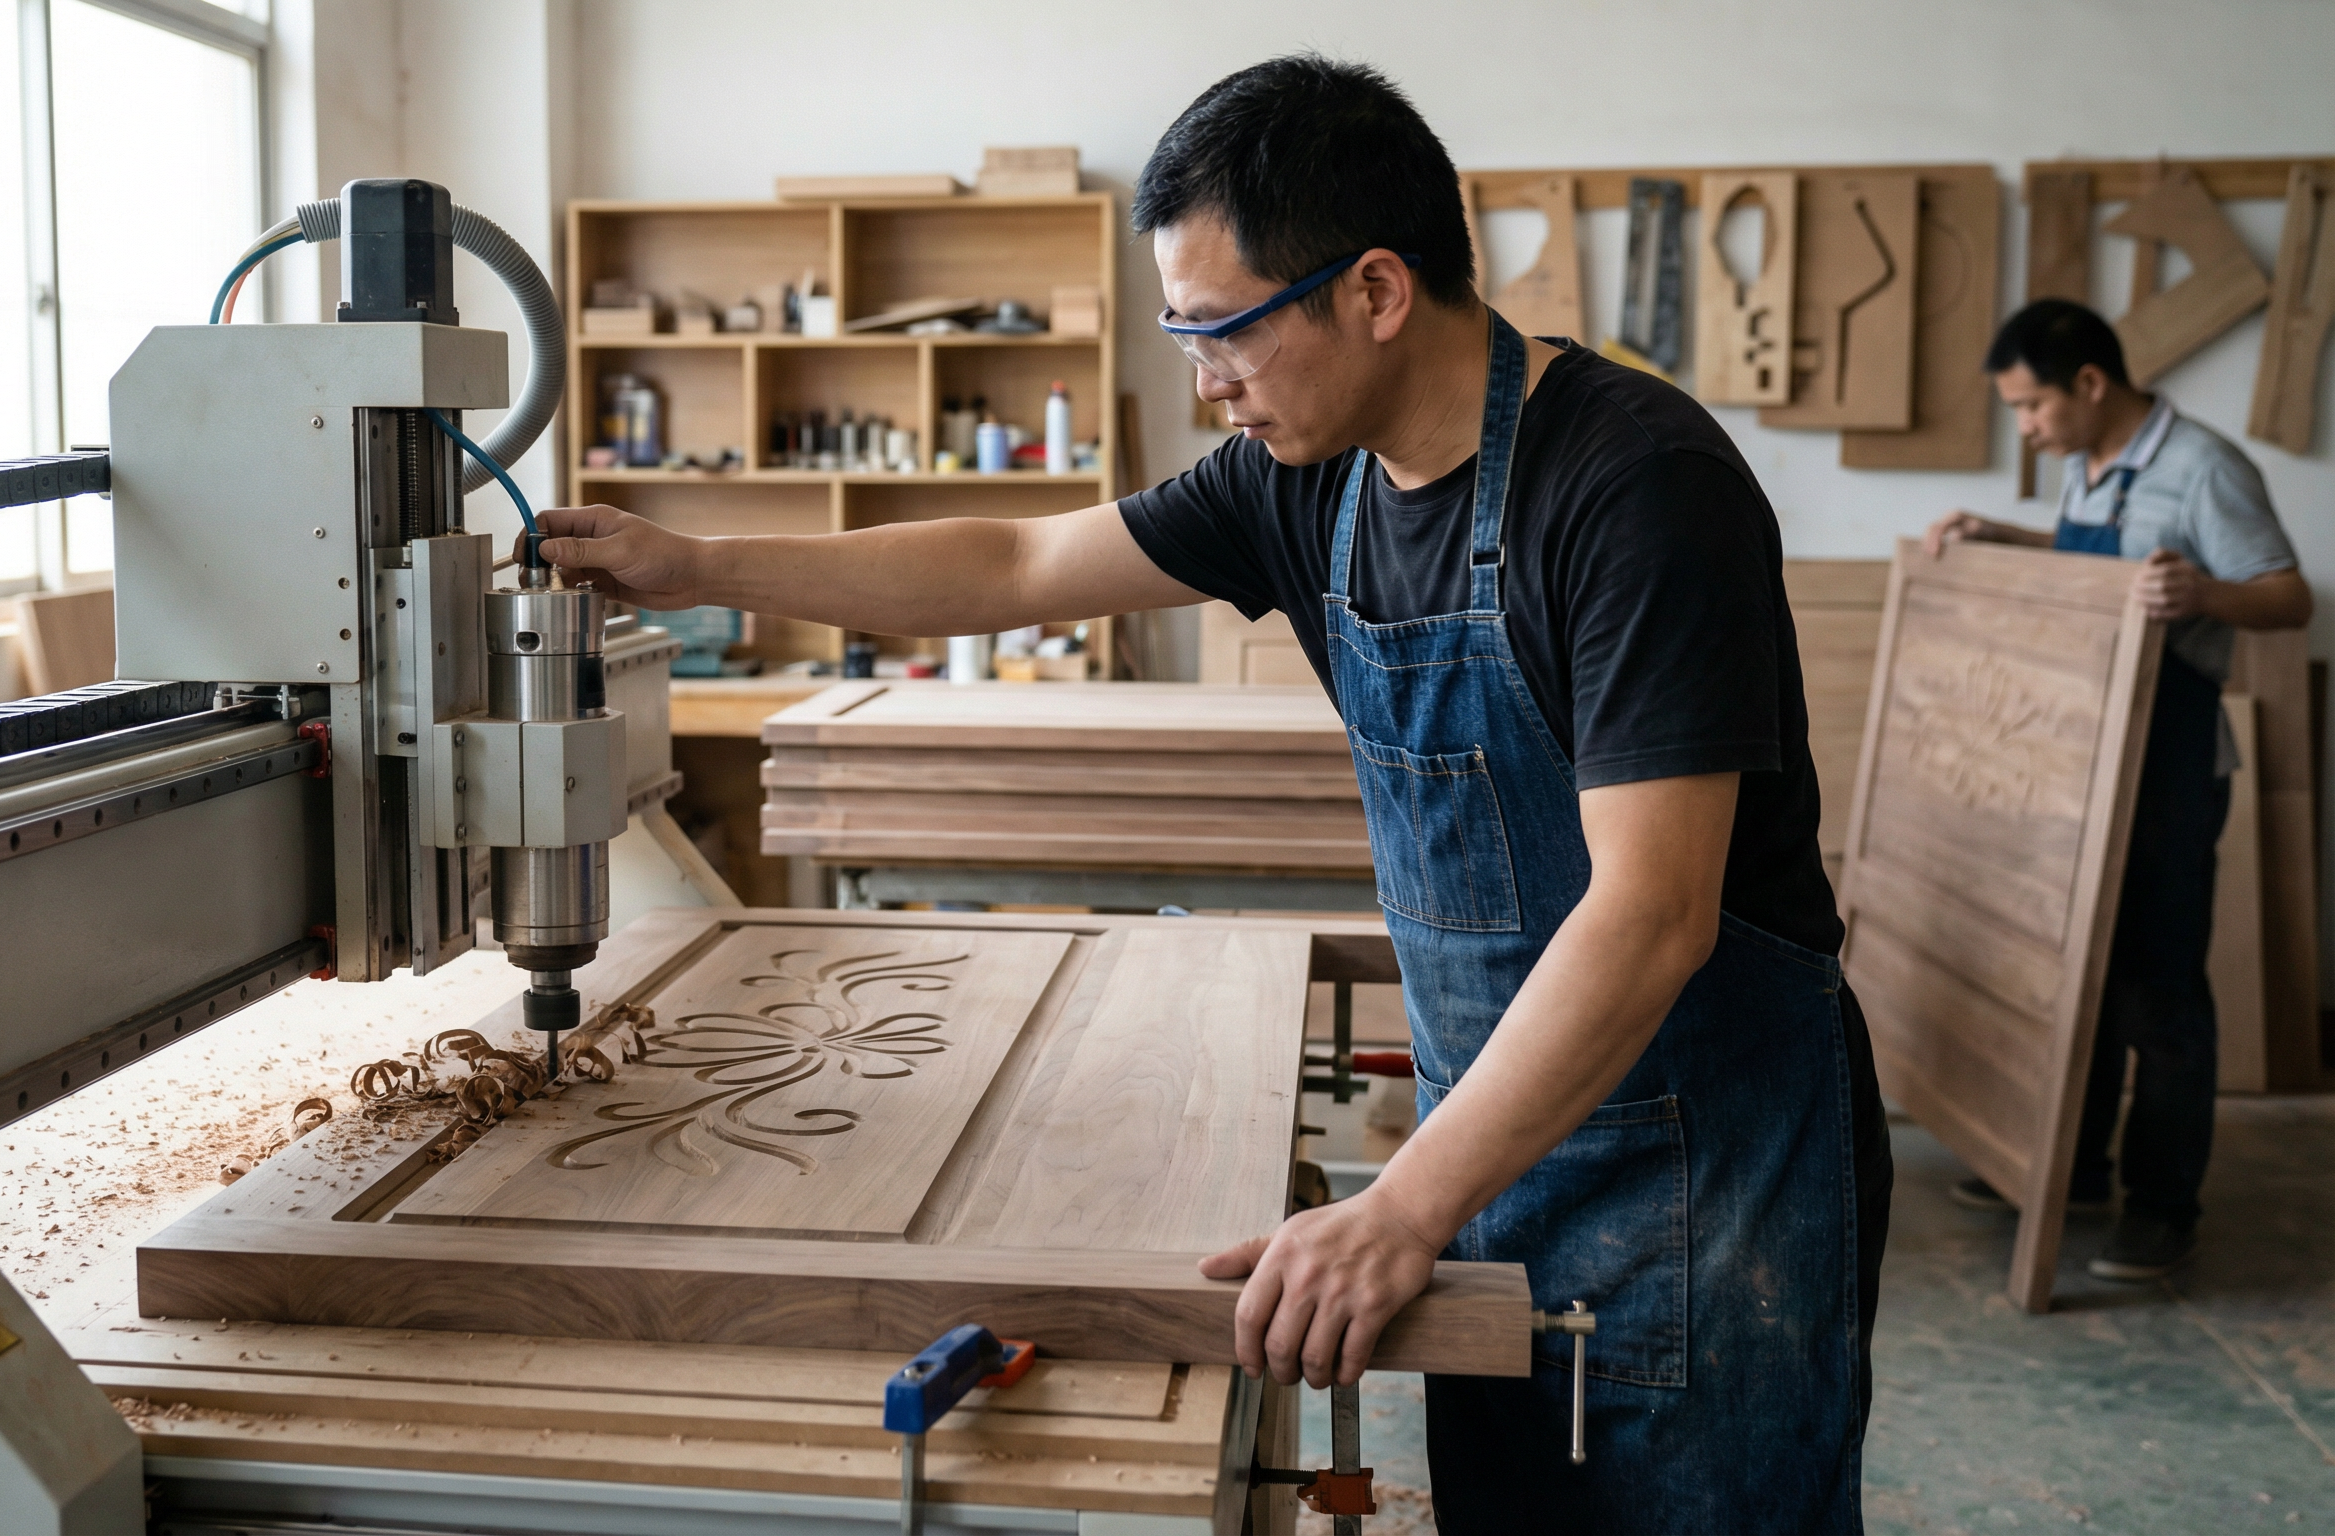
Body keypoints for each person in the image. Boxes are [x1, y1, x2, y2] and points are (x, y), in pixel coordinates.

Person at [528, 56, 1887, 1532]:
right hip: (1499, 1135)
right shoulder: (1308, 477)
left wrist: (1402, 1208)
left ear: (1374, 291)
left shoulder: (1631, 489)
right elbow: (1017, 564)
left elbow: (1651, 910)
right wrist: (703, 565)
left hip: (1705, 1171)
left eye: (1224, 332)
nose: (1202, 381)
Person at [1924, 299, 2308, 1283]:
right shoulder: (2084, 466)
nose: (2026, 427)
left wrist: (2203, 596)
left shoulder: (2206, 468)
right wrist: (2001, 537)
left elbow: (2285, 592)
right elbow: (2089, 577)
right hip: (2082, 753)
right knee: (2075, 970)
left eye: (2030, 406)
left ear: (2089, 384)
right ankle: (2075, 1170)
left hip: (2170, 765)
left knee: (2157, 989)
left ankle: (2162, 1208)